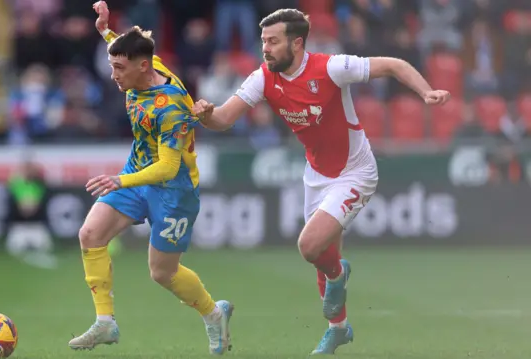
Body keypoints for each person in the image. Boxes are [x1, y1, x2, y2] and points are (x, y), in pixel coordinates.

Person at [193, 8, 450, 355]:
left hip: (355, 171)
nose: (265, 48)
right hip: (316, 175)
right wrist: (208, 116)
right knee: (323, 253)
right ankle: (338, 329)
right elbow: (224, 118)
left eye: (272, 41)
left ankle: (336, 276)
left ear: (296, 43)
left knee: (310, 246)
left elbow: (392, 64)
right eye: (263, 41)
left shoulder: (330, 67)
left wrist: (426, 92)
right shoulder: (263, 77)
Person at [68, 1, 234, 355]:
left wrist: (119, 181)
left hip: (173, 189)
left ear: (142, 68)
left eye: (119, 68)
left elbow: (168, 167)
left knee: (162, 273)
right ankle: (105, 323)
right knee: (90, 234)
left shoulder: (170, 107)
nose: (114, 74)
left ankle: (213, 313)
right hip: (136, 174)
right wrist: (104, 29)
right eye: (112, 65)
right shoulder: (144, 65)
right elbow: (127, 45)